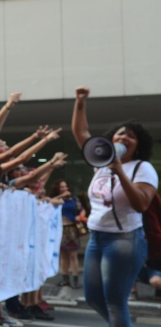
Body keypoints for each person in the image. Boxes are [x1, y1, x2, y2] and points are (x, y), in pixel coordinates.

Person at [72, 86, 158, 327]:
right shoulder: (100, 163)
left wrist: (119, 170)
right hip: (96, 238)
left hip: (123, 241)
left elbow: (141, 204)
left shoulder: (143, 169)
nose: (124, 138)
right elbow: (80, 132)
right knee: (92, 298)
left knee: (115, 302)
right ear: (111, 139)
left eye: (131, 136)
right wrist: (80, 102)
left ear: (138, 144)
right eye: (120, 134)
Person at [50, 179, 86, 289]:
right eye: (61, 187)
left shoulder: (74, 199)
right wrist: (61, 195)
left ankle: (75, 279)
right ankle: (65, 278)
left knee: (73, 255)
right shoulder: (57, 199)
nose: (65, 189)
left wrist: (80, 217)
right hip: (61, 229)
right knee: (63, 255)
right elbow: (49, 203)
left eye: (66, 187)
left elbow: (82, 209)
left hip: (72, 229)